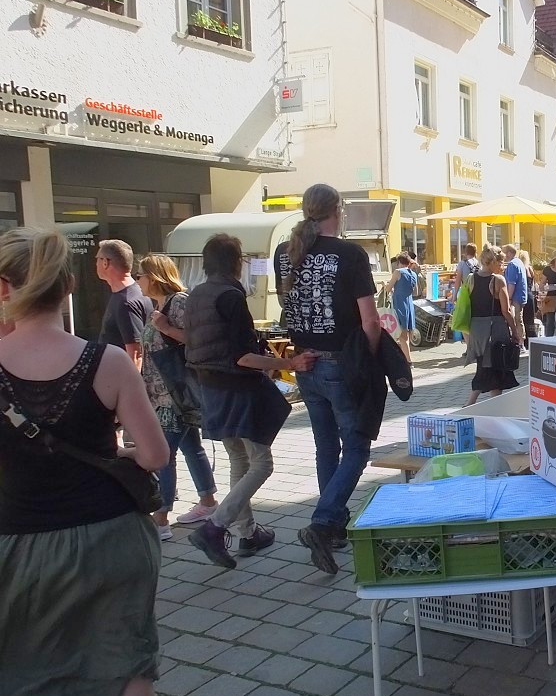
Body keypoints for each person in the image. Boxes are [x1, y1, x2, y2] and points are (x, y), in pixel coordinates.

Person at [0, 227, 171, 696]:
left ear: (5, 287)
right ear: (69, 285)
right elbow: (155, 457)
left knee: (23, 671)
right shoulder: (108, 362)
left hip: (19, 548)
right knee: (128, 662)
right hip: (111, 538)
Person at [187, 234, 315, 570]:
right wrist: (291, 364)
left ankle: (247, 533)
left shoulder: (196, 295)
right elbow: (244, 357)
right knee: (262, 463)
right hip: (237, 390)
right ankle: (215, 527)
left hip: (209, 389)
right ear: (236, 262)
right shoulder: (230, 296)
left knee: (238, 459)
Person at [274, 183, 381, 575]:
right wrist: (367, 358)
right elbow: (370, 321)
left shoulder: (284, 254)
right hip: (342, 363)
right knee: (356, 447)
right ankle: (323, 522)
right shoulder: (350, 254)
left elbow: (290, 305)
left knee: (326, 447)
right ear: (339, 209)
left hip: (305, 363)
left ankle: (333, 526)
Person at [135, 254, 218, 540]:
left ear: (155, 277)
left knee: (164, 455)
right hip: (162, 393)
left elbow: (196, 340)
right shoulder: (154, 306)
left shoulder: (179, 302)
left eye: (141, 275)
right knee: (190, 447)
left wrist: (166, 328)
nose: (138, 281)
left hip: (175, 394)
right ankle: (207, 501)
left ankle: (161, 519)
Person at [464, 246, 522, 406]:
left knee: (491, 366)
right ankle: (470, 404)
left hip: (476, 328)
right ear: (494, 262)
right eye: (501, 263)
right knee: (491, 365)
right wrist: (515, 331)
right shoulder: (497, 280)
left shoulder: (471, 278)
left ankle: (496, 404)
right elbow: (505, 310)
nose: (503, 267)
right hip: (494, 328)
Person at [96, 238, 154, 370]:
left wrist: (131, 389)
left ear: (105, 262)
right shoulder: (132, 293)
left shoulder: (126, 302)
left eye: (97, 259)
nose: (96, 264)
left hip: (123, 380)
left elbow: (136, 355)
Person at [385, 253, 417, 364]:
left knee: (401, 336)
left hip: (399, 304)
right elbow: (415, 291)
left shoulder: (398, 272)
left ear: (399, 262)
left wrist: (385, 286)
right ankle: (406, 359)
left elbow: (388, 289)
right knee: (406, 334)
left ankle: (408, 361)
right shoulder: (413, 274)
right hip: (409, 304)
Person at [501, 244, 529, 343]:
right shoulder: (519, 262)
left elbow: (511, 284)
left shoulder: (512, 265)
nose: (502, 255)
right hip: (521, 296)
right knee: (519, 320)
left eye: (503, 252)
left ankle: (520, 342)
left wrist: (508, 298)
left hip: (515, 297)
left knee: (516, 320)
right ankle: (520, 341)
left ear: (509, 253)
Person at [518, 249, 538, 348]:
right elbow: (533, 283)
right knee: (530, 321)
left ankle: (525, 343)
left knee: (522, 320)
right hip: (530, 295)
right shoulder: (530, 269)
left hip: (523, 295)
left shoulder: (520, 268)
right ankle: (533, 341)